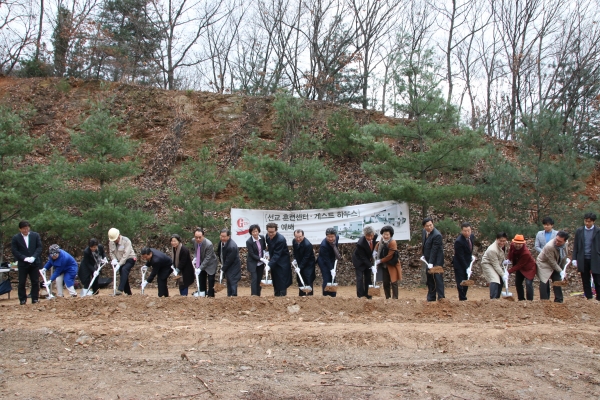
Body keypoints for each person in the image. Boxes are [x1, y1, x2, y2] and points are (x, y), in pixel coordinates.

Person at [11, 220, 43, 305]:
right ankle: (22, 299)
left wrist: (34, 257)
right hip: (23, 263)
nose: (26, 230)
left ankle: (35, 298)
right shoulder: (16, 238)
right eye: (24, 229)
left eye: (27, 228)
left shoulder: (35, 235)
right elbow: (14, 250)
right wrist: (23, 258)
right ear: (20, 229)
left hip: (34, 262)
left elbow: (39, 247)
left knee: (35, 281)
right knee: (22, 282)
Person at [572, 213, 600, 301]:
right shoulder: (579, 231)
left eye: (589, 221)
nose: (587, 223)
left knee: (598, 279)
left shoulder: (598, 231)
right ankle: (589, 297)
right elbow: (575, 245)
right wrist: (574, 258)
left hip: (595, 258)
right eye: (586, 221)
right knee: (585, 279)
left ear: (593, 221)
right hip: (583, 258)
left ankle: (599, 298)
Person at [537, 231, 570, 303]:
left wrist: (563, 271)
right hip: (544, 263)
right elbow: (552, 262)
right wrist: (560, 271)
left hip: (556, 262)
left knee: (557, 279)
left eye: (560, 241)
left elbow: (564, 257)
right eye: (556, 240)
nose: (557, 242)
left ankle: (559, 300)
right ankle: (544, 301)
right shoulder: (549, 246)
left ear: (565, 241)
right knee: (544, 281)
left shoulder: (566, 244)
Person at [264, 223, 292, 296]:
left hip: (282, 263)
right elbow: (269, 246)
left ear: (276, 231)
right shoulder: (267, 236)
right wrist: (267, 253)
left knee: (282, 281)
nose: (270, 234)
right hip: (274, 262)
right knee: (275, 280)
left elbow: (277, 254)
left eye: (272, 232)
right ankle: (276, 297)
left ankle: (282, 298)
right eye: (269, 232)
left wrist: (269, 265)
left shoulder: (280, 239)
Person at [374, 225, 402, 299]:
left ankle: (395, 298)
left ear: (390, 235)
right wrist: (374, 252)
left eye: (387, 234)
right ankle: (387, 297)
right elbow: (377, 248)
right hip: (384, 265)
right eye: (384, 234)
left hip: (392, 264)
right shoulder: (381, 241)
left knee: (394, 281)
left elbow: (390, 256)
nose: (385, 236)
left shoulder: (393, 242)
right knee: (386, 282)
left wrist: (380, 260)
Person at [507, 234, 537, 301]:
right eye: (516, 243)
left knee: (528, 284)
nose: (518, 245)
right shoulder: (512, 245)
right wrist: (508, 259)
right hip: (520, 268)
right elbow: (510, 252)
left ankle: (530, 301)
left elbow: (520, 265)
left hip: (529, 268)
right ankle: (521, 299)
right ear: (514, 242)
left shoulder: (526, 253)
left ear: (523, 244)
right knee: (518, 283)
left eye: (520, 244)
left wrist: (508, 272)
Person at [108, 228, 136, 296]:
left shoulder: (126, 241)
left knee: (124, 269)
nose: (115, 241)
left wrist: (119, 264)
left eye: (116, 239)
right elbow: (111, 252)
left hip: (129, 259)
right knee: (123, 274)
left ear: (119, 235)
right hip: (119, 261)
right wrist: (114, 260)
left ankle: (120, 289)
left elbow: (126, 254)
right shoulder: (111, 242)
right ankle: (128, 293)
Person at [422, 218, 445, 301]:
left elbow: (434, 250)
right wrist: (424, 255)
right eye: (427, 226)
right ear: (424, 227)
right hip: (428, 259)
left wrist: (431, 262)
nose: (429, 227)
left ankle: (441, 298)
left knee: (437, 278)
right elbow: (425, 245)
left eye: (431, 225)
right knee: (430, 278)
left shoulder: (437, 235)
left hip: (436, 261)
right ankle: (431, 297)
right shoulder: (424, 232)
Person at [352, 226, 377, 299]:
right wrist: (371, 266)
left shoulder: (375, 236)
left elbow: (375, 245)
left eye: (371, 235)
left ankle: (368, 295)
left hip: (368, 259)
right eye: (367, 236)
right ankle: (361, 296)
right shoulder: (360, 243)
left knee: (368, 278)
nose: (369, 237)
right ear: (364, 235)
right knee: (360, 278)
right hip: (359, 261)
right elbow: (363, 258)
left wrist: (374, 252)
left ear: (373, 234)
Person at [481, 232, 508, 299]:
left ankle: (497, 298)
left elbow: (502, 254)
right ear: (497, 239)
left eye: (504, 241)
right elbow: (495, 264)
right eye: (500, 241)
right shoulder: (492, 249)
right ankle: (493, 299)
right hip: (488, 264)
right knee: (495, 279)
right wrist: (503, 274)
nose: (502, 243)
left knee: (501, 280)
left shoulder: (505, 245)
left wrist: (504, 261)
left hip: (497, 263)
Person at [452, 222, 475, 301]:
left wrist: (471, 257)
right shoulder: (459, 241)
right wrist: (466, 267)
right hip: (459, 264)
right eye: (465, 231)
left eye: (468, 230)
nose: (467, 233)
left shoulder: (471, 237)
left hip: (467, 262)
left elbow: (469, 249)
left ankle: (464, 296)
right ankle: (462, 298)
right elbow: (460, 256)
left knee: (466, 280)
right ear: (462, 231)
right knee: (461, 281)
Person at [192, 228, 218, 297]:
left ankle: (210, 295)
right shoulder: (194, 241)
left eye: (199, 237)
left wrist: (200, 268)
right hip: (201, 261)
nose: (198, 239)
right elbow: (196, 251)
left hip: (210, 264)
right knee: (201, 278)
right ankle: (202, 293)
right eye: (196, 237)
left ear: (203, 236)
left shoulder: (209, 244)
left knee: (210, 280)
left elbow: (208, 258)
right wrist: (195, 258)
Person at [317, 228, 341, 297]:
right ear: (326, 236)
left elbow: (335, 246)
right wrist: (331, 269)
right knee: (327, 278)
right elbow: (326, 259)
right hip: (323, 261)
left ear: (335, 236)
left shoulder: (337, 237)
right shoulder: (323, 245)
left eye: (332, 237)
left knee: (333, 278)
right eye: (328, 237)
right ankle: (326, 295)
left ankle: (333, 295)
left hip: (332, 259)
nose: (330, 239)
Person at [217, 229, 241, 297]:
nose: (222, 238)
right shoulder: (221, 243)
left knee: (232, 281)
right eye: (221, 236)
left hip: (233, 266)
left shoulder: (232, 246)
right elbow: (219, 252)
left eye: (224, 236)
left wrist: (223, 268)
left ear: (228, 236)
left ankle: (233, 297)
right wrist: (222, 263)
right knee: (229, 281)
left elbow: (229, 260)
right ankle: (229, 297)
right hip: (227, 265)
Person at [292, 229, 316, 297]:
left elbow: (306, 258)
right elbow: (295, 251)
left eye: (300, 237)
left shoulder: (307, 245)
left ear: (303, 236)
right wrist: (295, 259)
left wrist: (300, 267)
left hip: (308, 265)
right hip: (300, 263)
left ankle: (309, 297)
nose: (298, 239)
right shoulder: (294, 241)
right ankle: (301, 296)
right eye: (296, 237)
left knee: (308, 281)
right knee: (300, 280)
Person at [246, 224, 266, 296]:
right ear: (251, 232)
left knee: (259, 279)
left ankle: (258, 295)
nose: (255, 233)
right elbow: (251, 254)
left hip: (261, 264)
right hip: (253, 263)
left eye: (256, 231)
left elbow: (263, 248)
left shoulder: (262, 238)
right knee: (254, 279)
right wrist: (260, 258)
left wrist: (265, 255)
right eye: (253, 232)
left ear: (258, 231)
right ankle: (253, 295)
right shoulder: (249, 241)